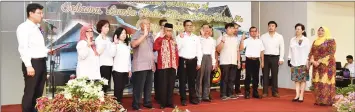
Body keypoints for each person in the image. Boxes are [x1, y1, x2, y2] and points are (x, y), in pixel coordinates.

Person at [17, 3, 54, 112]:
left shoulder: (37, 28)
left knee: (38, 92)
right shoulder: (24, 27)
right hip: (32, 63)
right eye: (39, 13)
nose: (41, 15)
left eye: (42, 13)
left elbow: (37, 47)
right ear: (31, 13)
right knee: (30, 91)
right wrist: (28, 66)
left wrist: (48, 51)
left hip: (41, 62)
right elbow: (23, 48)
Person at [130, 17, 155, 110]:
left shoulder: (150, 35)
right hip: (140, 65)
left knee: (148, 85)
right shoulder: (137, 34)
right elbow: (133, 44)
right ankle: (136, 103)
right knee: (138, 86)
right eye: (145, 24)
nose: (148, 26)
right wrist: (144, 35)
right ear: (141, 25)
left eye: (149, 24)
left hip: (150, 64)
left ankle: (147, 101)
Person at [176, 20, 202, 105]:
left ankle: (193, 98)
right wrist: (182, 38)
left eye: (191, 25)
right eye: (188, 25)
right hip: (183, 60)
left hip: (193, 61)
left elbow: (199, 50)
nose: (190, 27)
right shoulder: (180, 36)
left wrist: (199, 62)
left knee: (192, 80)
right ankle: (183, 99)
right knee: (182, 80)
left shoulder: (195, 37)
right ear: (184, 27)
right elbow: (177, 48)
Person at [309, 26, 336, 106]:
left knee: (325, 82)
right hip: (316, 65)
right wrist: (313, 61)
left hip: (327, 65)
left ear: (326, 32)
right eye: (319, 30)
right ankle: (319, 100)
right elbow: (311, 52)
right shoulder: (315, 41)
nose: (320, 32)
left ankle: (327, 101)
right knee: (317, 82)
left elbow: (331, 53)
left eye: (322, 30)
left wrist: (319, 61)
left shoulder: (331, 41)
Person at [153, 23, 178, 109]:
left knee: (171, 85)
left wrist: (176, 65)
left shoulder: (173, 41)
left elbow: (176, 53)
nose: (169, 32)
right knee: (163, 85)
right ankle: (163, 103)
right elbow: (155, 48)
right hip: (163, 66)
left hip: (172, 66)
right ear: (164, 31)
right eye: (167, 30)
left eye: (170, 31)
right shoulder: (160, 39)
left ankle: (170, 102)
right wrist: (160, 38)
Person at [216, 23, 240, 100]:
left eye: (233, 28)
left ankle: (230, 93)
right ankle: (223, 94)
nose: (232, 30)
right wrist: (222, 41)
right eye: (230, 28)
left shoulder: (236, 39)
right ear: (226, 29)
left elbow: (238, 51)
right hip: (225, 61)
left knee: (232, 79)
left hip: (234, 61)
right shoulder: (221, 37)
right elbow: (218, 50)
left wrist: (238, 61)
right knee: (224, 79)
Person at [260, 21, 285, 98]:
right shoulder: (263, 36)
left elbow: (282, 48)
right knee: (265, 75)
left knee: (275, 75)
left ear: (275, 27)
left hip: (275, 58)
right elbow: (261, 49)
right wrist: (261, 60)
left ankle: (275, 92)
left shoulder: (279, 36)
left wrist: (281, 58)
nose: (271, 27)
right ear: (268, 27)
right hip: (266, 57)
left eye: (272, 26)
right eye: (269, 26)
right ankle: (265, 92)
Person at [287, 23, 310, 103]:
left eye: (299, 29)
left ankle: (301, 95)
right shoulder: (292, 39)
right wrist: (289, 59)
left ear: (303, 30)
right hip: (294, 62)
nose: (297, 30)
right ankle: (297, 95)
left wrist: (308, 60)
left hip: (303, 62)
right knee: (296, 80)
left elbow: (308, 51)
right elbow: (290, 50)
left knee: (303, 80)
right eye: (296, 29)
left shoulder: (306, 40)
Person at [239, 26, 264, 99]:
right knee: (248, 77)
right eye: (252, 31)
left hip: (256, 61)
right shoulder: (247, 40)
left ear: (257, 32)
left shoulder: (259, 41)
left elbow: (262, 51)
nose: (253, 33)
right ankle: (247, 92)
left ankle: (255, 92)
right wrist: (242, 40)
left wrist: (262, 62)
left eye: (255, 31)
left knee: (256, 77)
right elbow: (240, 48)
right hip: (249, 60)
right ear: (249, 33)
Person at [110, 27, 131, 104]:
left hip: (125, 70)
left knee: (121, 89)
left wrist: (129, 69)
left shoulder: (126, 46)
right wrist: (115, 44)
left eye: (125, 33)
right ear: (118, 34)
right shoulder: (114, 44)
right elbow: (112, 54)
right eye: (122, 33)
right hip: (117, 70)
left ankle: (119, 104)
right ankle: (116, 105)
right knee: (117, 89)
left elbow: (128, 59)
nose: (124, 35)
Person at [196, 24, 216, 102]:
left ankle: (206, 96)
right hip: (201, 58)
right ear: (201, 29)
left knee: (207, 78)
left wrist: (214, 63)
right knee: (199, 78)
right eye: (204, 28)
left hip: (209, 58)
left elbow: (213, 52)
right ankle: (198, 96)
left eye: (208, 28)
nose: (206, 29)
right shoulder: (198, 39)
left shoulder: (212, 40)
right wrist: (202, 36)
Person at [95, 20, 113, 94]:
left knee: (106, 84)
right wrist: (104, 42)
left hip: (109, 63)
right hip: (103, 64)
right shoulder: (98, 39)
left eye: (108, 27)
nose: (107, 28)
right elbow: (98, 52)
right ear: (100, 28)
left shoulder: (108, 39)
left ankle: (104, 100)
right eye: (105, 26)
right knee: (102, 85)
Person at [154, 19, 167, 102]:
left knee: (165, 80)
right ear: (160, 26)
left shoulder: (169, 35)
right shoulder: (157, 35)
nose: (164, 27)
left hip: (167, 62)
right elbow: (155, 49)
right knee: (158, 80)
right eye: (163, 25)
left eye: (166, 25)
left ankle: (164, 96)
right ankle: (158, 96)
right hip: (158, 61)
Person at [233, 23, 243, 97]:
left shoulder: (239, 37)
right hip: (230, 58)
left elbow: (240, 49)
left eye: (237, 28)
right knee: (230, 76)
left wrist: (242, 40)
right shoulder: (226, 37)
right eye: (234, 28)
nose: (236, 29)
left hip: (238, 57)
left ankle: (237, 90)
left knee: (237, 75)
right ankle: (228, 91)